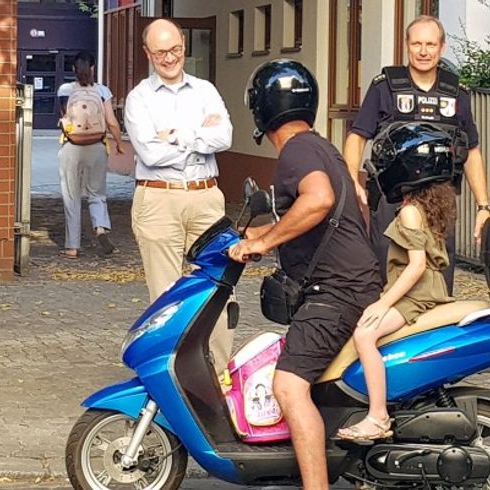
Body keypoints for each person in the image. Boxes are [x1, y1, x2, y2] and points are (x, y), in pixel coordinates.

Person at [230, 59, 380, 490]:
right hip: (351, 284)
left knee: (289, 386)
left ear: (261, 109)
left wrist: (264, 243)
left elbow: (317, 200)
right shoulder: (318, 145)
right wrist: (260, 232)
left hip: (335, 293)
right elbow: (323, 211)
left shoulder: (296, 151)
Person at [343, 15, 490, 292]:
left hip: (440, 200)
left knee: (438, 277)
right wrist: (352, 181)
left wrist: (483, 206)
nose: (424, 51)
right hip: (391, 199)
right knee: (386, 275)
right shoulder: (384, 87)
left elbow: (471, 150)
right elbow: (357, 136)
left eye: (430, 44)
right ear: (406, 46)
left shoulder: (456, 93)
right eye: (417, 44)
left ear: (442, 47)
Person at [124, 18, 235, 373]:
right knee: (167, 296)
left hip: (206, 197)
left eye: (174, 49)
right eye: (160, 52)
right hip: (159, 200)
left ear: (184, 46)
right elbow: (150, 155)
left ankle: (217, 373)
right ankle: (174, 374)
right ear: (148, 53)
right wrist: (199, 136)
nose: (169, 58)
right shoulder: (139, 98)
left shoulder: (205, 90)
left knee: (219, 287)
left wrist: (175, 136)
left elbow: (225, 138)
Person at [336, 123, 458, 442]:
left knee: (365, 334)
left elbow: (416, 266)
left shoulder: (409, 213)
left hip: (415, 295)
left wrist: (384, 302)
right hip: (424, 290)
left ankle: (377, 416)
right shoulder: (428, 206)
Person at [56, 51, 124, 258]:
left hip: (71, 147)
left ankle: (72, 247)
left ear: (73, 69)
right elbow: (111, 121)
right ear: (93, 68)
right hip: (96, 147)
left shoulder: (65, 90)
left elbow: (64, 117)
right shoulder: (103, 91)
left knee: (71, 196)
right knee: (97, 193)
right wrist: (119, 144)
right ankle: (101, 227)